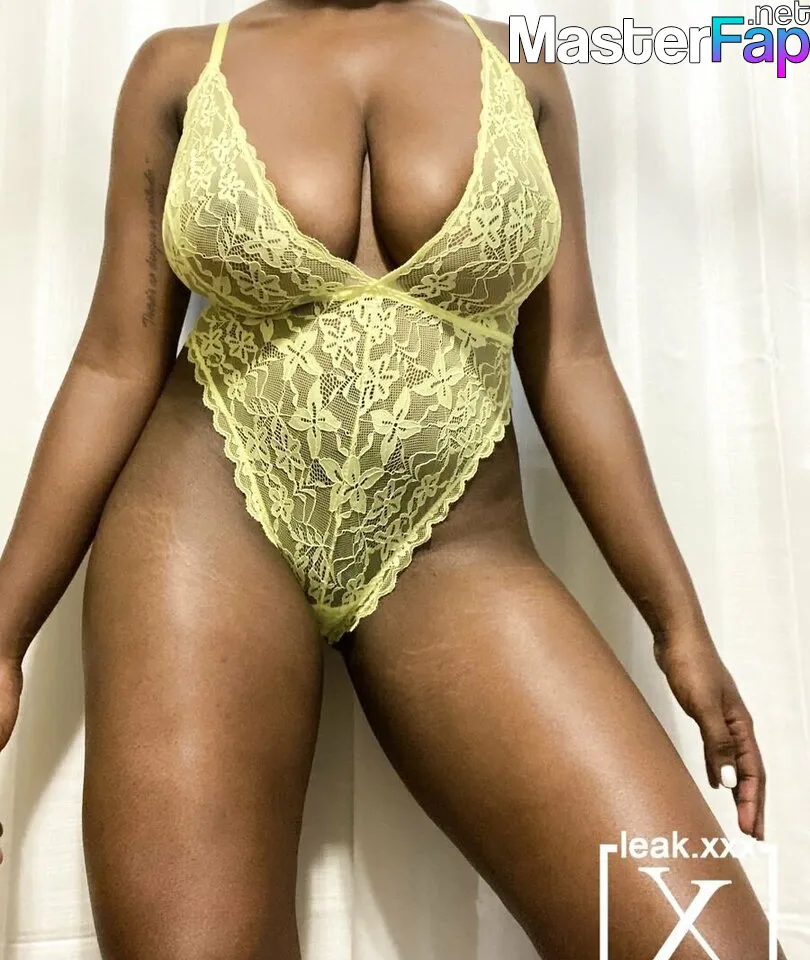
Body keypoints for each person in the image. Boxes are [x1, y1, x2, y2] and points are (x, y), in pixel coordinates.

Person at [0, 1, 788, 958]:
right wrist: (3, 638)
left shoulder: (524, 66)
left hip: (458, 551)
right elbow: (113, 364)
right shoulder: (179, 69)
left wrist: (679, 627)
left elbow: (573, 361)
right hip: (206, 524)